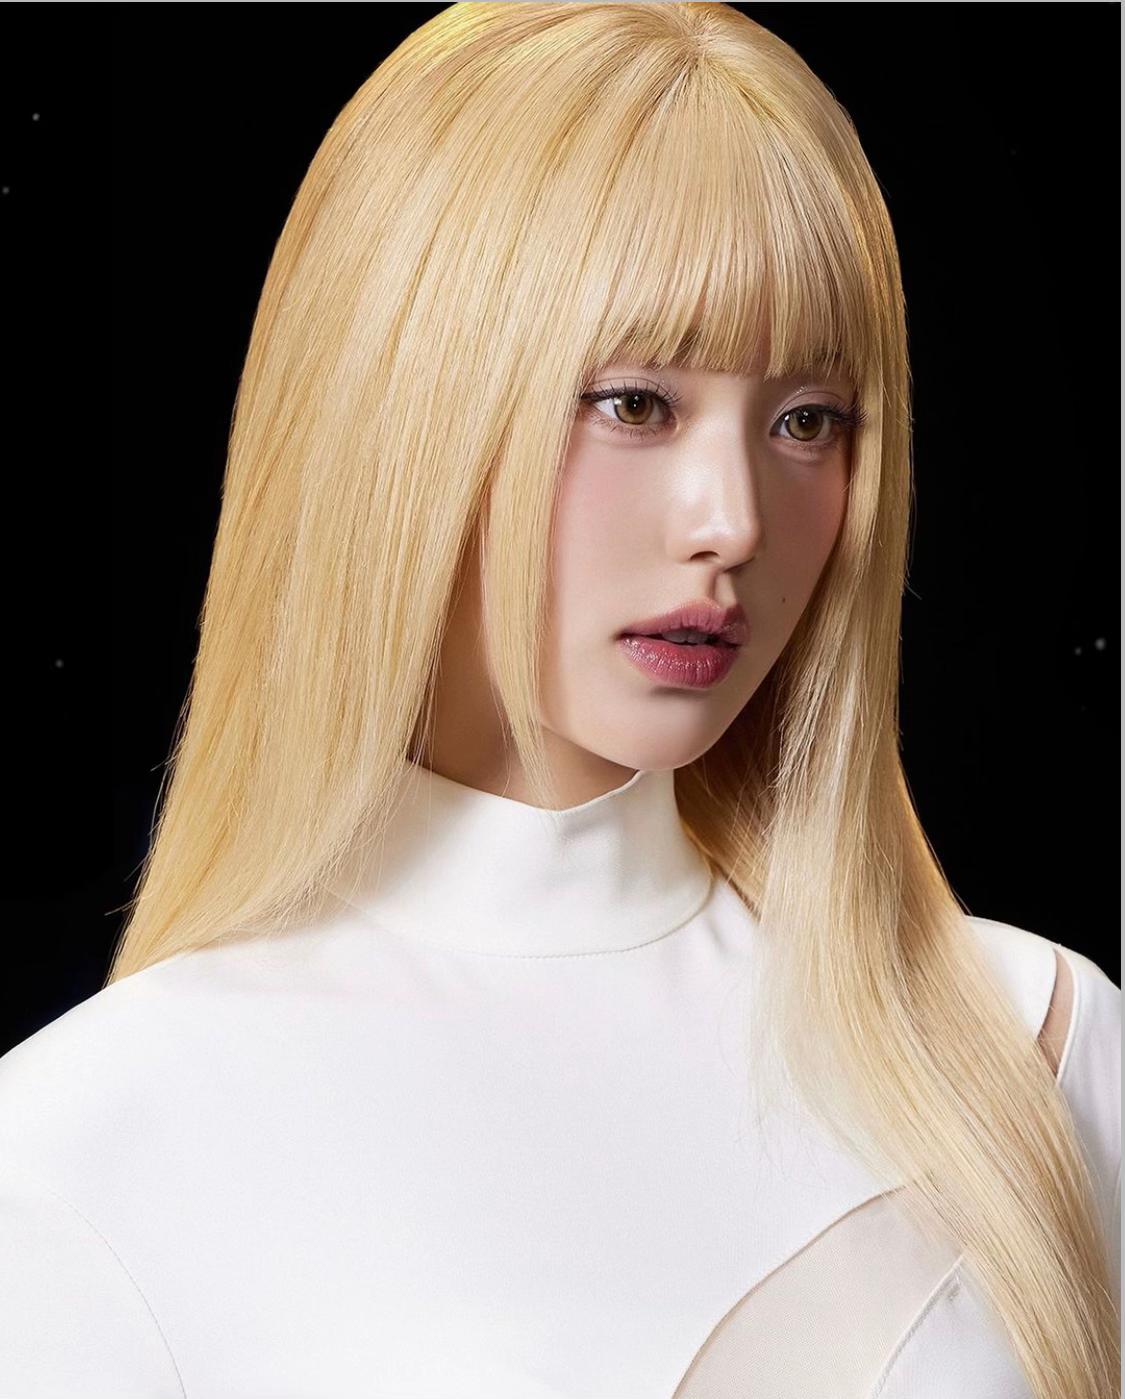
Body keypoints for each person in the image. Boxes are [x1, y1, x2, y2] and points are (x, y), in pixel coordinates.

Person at [0, 4, 1118, 1396]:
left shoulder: (1031, 1046)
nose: (730, 522)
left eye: (805, 421)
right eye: (634, 404)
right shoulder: (89, 1154)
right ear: (399, 409)